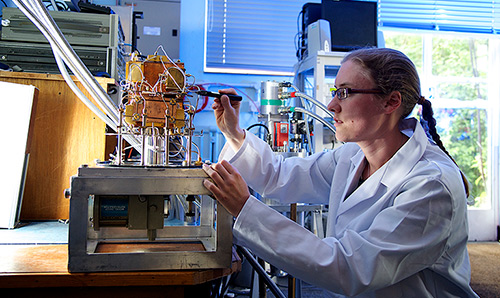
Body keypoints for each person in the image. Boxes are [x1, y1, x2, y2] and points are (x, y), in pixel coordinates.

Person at [202, 47, 478, 297]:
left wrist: (245, 208)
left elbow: (349, 268)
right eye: (335, 92)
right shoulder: (352, 156)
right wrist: (234, 133)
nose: (332, 105)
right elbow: (281, 175)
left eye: (344, 92)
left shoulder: (431, 186)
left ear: (391, 102)